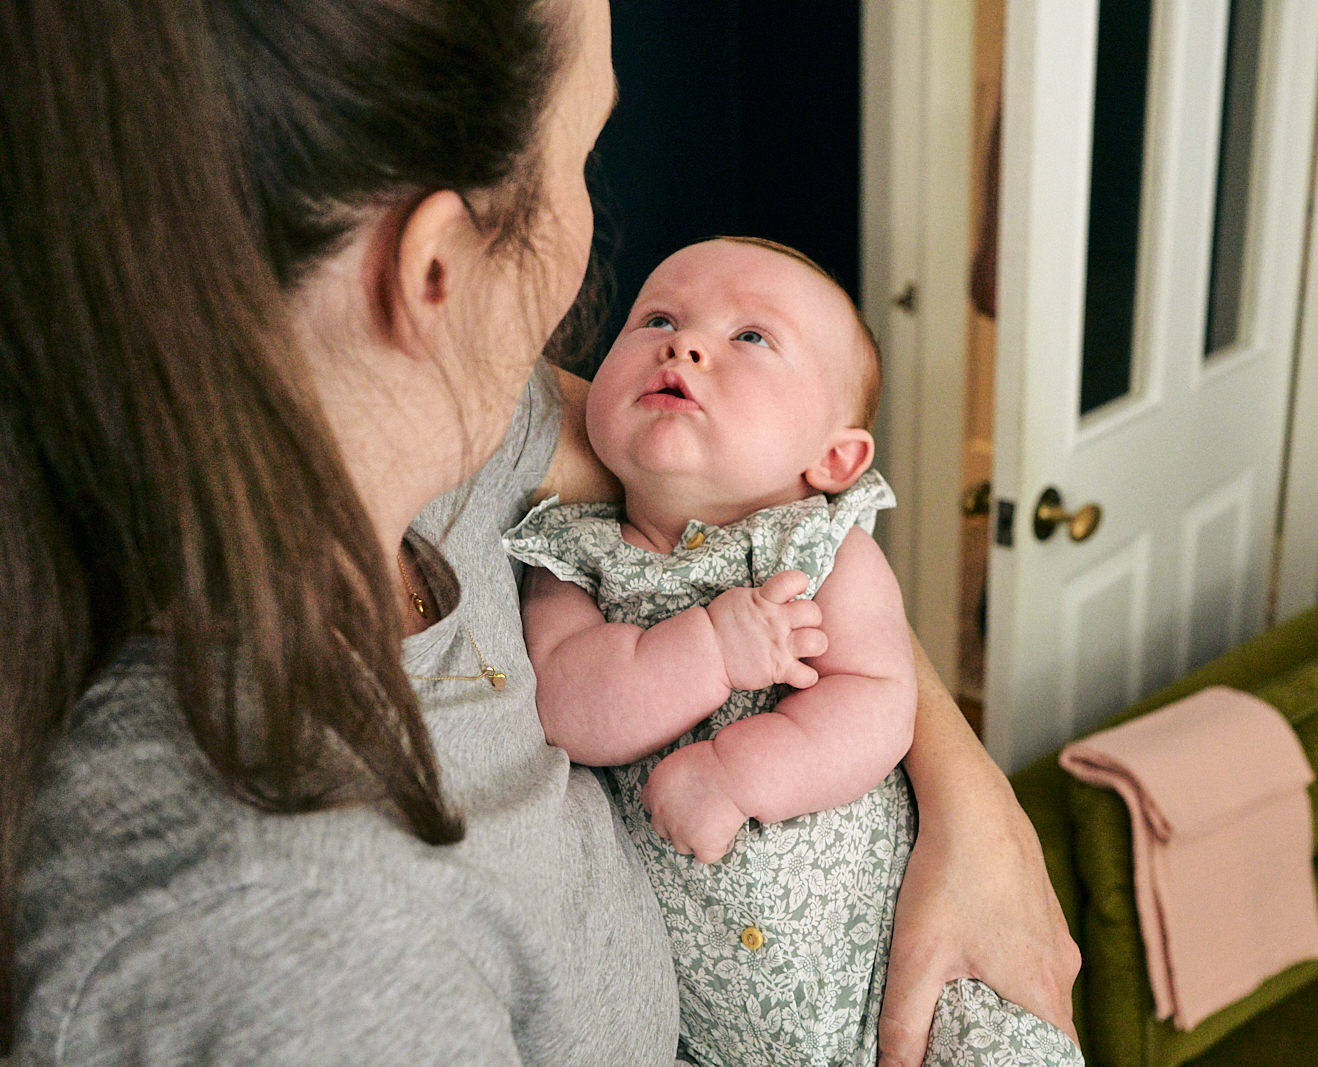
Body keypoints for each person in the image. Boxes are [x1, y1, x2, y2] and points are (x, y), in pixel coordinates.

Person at [0, 1, 1078, 1063]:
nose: (677, 346)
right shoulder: (299, 956)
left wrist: (970, 801)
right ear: (433, 271)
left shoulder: (424, 420)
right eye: (583, 152)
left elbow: (751, 508)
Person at [507, 236, 1084, 1066]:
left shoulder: (825, 549)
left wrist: (736, 772)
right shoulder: (573, 557)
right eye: (658, 318)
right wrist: (708, 648)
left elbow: (881, 699)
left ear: (833, 457)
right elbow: (564, 702)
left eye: (751, 337)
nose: (685, 343)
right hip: (707, 1037)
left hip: (903, 981)